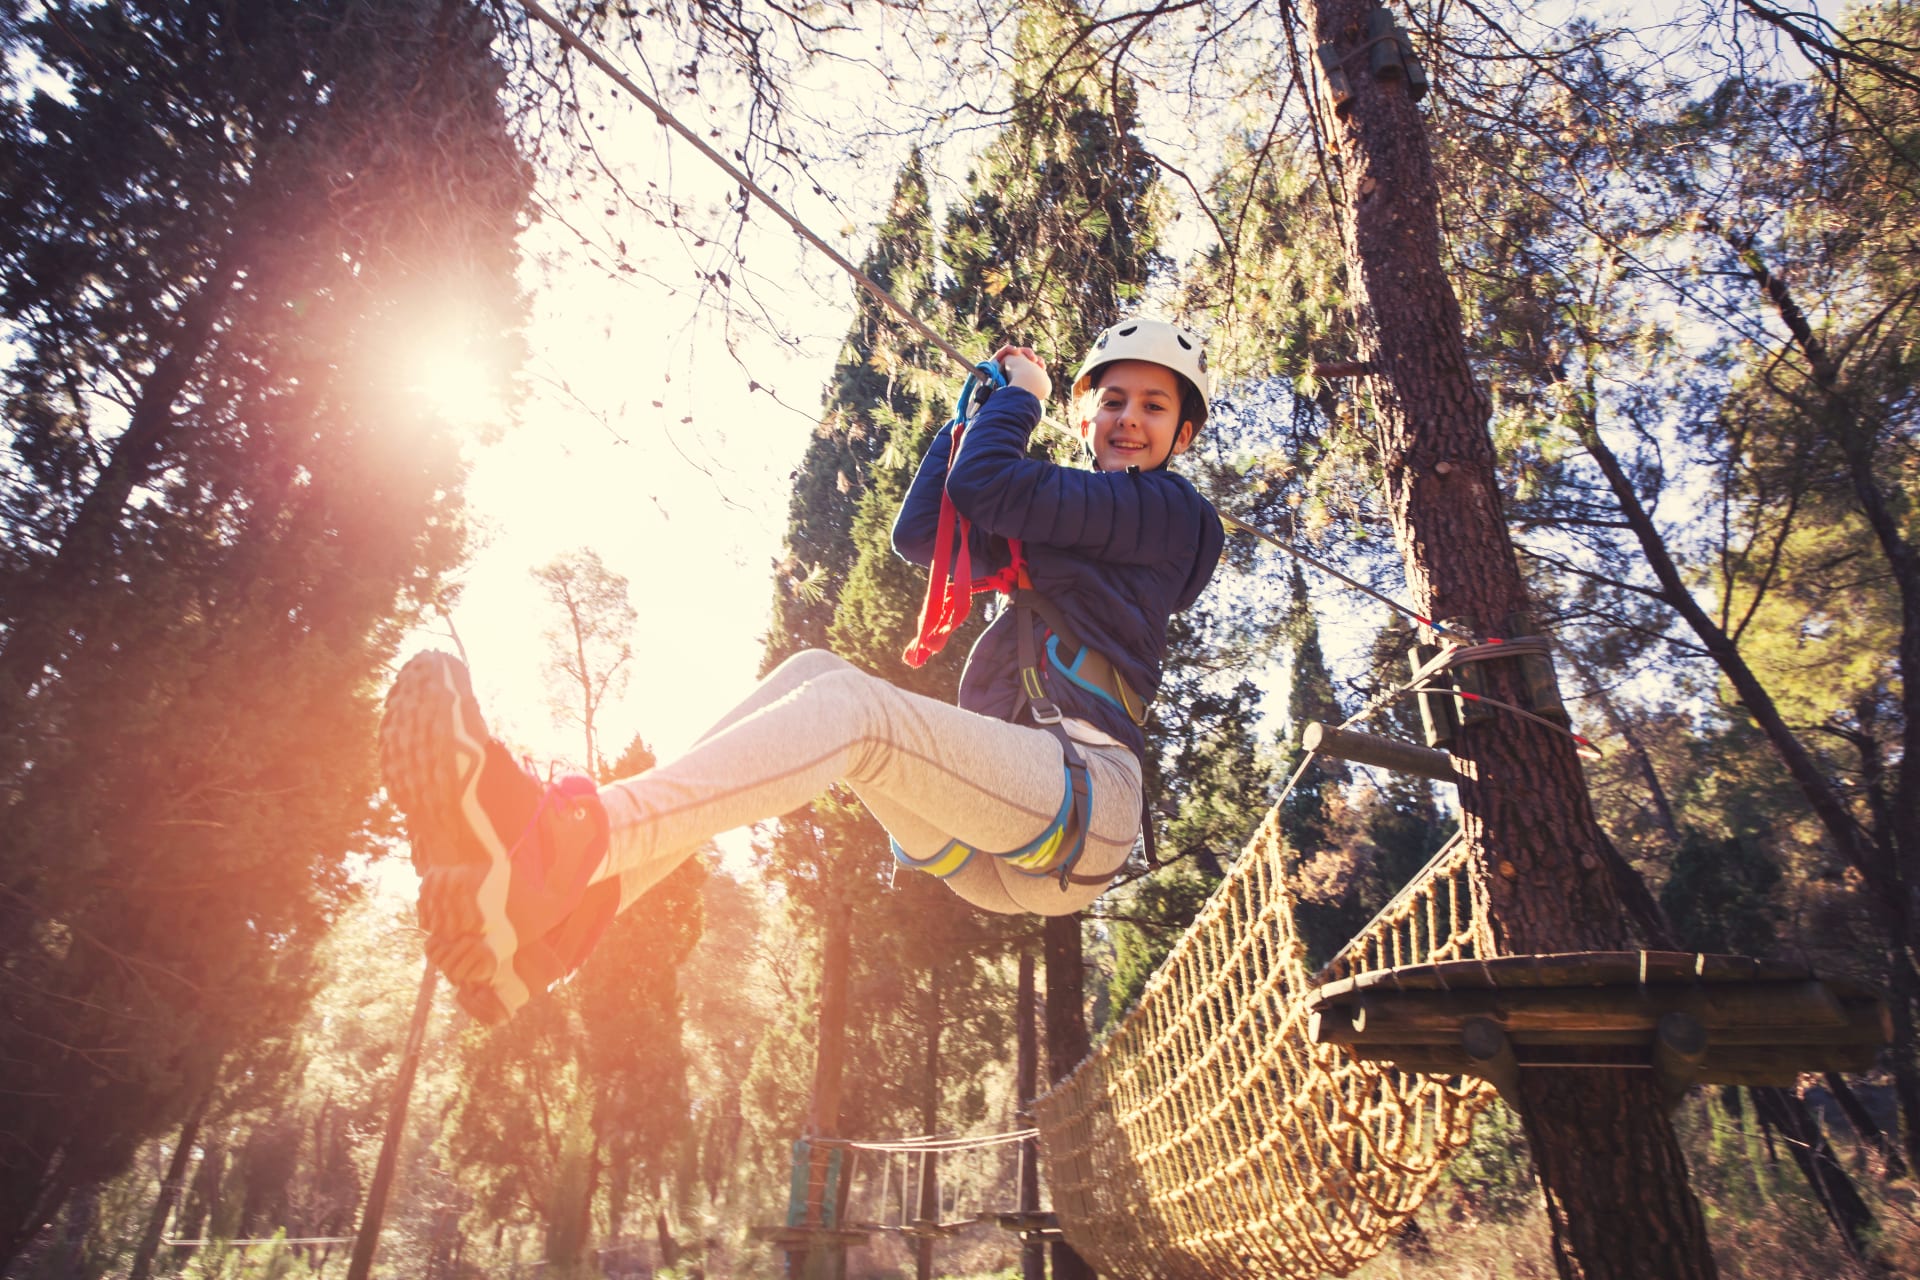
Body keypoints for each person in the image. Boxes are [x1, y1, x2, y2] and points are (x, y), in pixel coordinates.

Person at [380, 317, 1226, 1024]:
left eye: (1153, 407)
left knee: (860, 716)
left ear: (1182, 436)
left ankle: (562, 843)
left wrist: (1022, 398)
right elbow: (925, 533)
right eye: (1111, 400)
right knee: (814, 667)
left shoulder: (1170, 514)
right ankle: (552, 930)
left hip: (1085, 800)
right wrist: (966, 421)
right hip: (998, 830)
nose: (1127, 418)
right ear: (1088, 420)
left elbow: (996, 490)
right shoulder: (1076, 519)